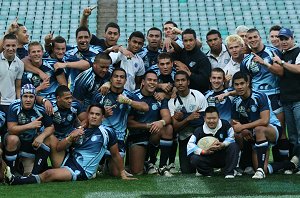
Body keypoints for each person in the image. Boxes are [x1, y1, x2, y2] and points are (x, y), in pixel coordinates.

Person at [4, 104, 136, 185]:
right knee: (50, 138)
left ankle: (16, 181)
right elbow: (59, 147)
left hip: (81, 170)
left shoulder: (107, 132)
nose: (94, 117)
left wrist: (123, 173)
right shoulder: (80, 130)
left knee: (49, 175)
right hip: (68, 159)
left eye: (97, 114)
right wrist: (70, 137)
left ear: (103, 117)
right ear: (88, 115)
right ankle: (33, 173)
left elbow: (115, 154)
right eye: (91, 114)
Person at [241, 28, 289, 163]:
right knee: (258, 130)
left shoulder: (273, 52)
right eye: (250, 38)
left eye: (255, 37)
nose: (253, 40)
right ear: (247, 40)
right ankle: (262, 164)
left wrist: (264, 63)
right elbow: (246, 82)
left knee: (281, 132)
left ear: (260, 37)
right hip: (258, 99)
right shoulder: (246, 61)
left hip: (275, 95)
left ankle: (284, 163)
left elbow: (280, 72)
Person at [92, 68, 149, 176]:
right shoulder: (101, 94)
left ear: (126, 80)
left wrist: (128, 101)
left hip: (118, 136)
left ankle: (107, 164)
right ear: (111, 79)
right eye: (116, 77)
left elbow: (145, 107)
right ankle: (100, 162)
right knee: (90, 173)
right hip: (100, 134)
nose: (119, 79)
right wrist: (103, 115)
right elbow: (88, 114)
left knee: (116, 173)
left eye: (122, 77)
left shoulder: (129, 95)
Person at [231, 72, 282, 179]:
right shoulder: (236, 101)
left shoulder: (259, 96)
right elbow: (235, 124)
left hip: (272, 128)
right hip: (255, 133)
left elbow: (265, 120)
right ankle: (290, 164)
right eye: (236, 84)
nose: (239, 87)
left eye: (242, 83)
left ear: (248, 83)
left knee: (259, 129)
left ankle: (259, 171)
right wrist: (243, 130)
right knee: (265, 168)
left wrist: (243, 127)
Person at [127, 71, 173, 176]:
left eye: (155, 80)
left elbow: (167, 117)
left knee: (168, 128)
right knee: (137, 172)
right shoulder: (134, 97)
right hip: (137, 136)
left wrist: (161, 122)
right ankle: (146, 163)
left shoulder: (159, 98)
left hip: (153, 134)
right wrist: (147, 126)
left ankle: (160, 165)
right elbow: (129, 123)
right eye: (149, 80)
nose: (152, 83)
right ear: (143, 82)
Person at [5, 84, 54, 176]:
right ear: (21, 97)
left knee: (28, 175)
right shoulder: (14, 106)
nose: (28, 100)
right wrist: (30, 125)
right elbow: (11, 129)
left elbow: (51, 127)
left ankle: (36, 168)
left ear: (35, 98)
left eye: (31, 97)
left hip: (30, 144)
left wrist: (41, 136)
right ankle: (10, 171)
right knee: (12, 139)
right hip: (15, 143)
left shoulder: (41, 109)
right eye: (25, 96)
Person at [168, 71, 208, 173]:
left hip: (199, 137)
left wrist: (182, 118)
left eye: (183, 80)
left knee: (203, 168)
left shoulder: (198, 95)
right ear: (175, 83)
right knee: (186, 171)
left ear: (188, 82)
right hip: (184, 138)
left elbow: (203, 120)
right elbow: (175, 127)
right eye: (177, 81)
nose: (180, 83)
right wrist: (188, 118)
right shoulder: (172, 102)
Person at [271, 28, 300, 168]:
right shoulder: (281, 54)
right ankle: (295, 164)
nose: (283, 42)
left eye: (286, 39)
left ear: (292, 38)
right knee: (293, 135)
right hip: (287, 100)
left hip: (298, 99)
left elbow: (298, 69)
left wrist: (281, 63)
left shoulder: (298, 52)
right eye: (281, 39)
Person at [188, 106, 239, 178]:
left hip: (223, 157)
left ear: (219, 117)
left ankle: (229, 172)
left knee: (234, 146)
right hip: (208, 158)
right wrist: (204, 152)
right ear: (204, 118)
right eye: (209, 118)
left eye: (214, 118)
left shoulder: (225, 124)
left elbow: (232, 137)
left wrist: (223, 144)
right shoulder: (199, 130)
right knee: (194, 158)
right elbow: (190, 145)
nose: (211, 121)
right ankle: (207, 172)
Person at [173, 28, 211, 93]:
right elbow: (169, 59)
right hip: (183, 94)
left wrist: (188, 73)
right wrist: (176, 62)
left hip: (199, 94)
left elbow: (205, 81)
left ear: (195, 41)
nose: (188, 43)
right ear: (182, 42)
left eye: (191, 40)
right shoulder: (181, 53)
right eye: (185, 41)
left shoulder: (202, 58)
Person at [0, 33, 24, 114]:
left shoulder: (20, 64)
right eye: (8, 45)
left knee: (10, 126)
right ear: (3, 46)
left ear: (17, 45)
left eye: (13, 45)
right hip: (0, 102)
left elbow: (18, 86)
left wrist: (19, 102)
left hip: (12, 103)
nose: (10, 48)